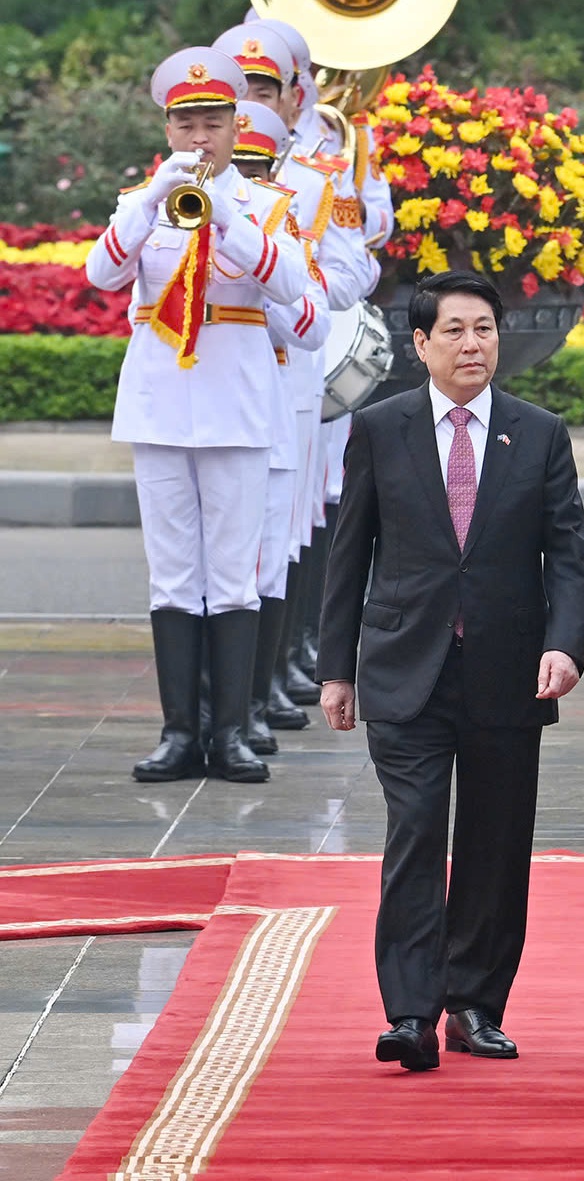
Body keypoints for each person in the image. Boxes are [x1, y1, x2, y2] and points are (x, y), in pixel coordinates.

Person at [317, 270, 584, 1072]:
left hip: (508, 671)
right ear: (421, 343)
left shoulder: (539, 433)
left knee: (494, 844)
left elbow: (568, 554)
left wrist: (565, 645)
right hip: (406, 668)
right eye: (456, 331)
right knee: (415, 834)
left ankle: (474, 1004)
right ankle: (410, 1012)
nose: (473, 344)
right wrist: (337, 670)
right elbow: (349, 554)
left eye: (485, 329)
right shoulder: (381, 428)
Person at [85, 48, 308, 785]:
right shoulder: (143, 200)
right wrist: (154, 198)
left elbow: (291, 286)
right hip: (159, 405)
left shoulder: (264, 203)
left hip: (236, 404)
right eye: (187, 125)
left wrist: (230, 217)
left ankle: (232, 732)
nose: (200, 138)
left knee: (235, 576)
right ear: (168, 129)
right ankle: (179, 732)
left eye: (213, 124)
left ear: (236, 125)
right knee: (174, 576)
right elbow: (102, 273)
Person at [229, 97, 333, 756]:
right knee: (205, 571)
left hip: (277, 405)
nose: (244, 178)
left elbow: (312, 318)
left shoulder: (287, 222)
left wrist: (261, 280)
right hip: (208, 408)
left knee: (269, 558)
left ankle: (252, 699)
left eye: (255, 167)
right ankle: (205, 713)